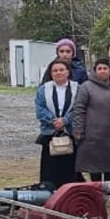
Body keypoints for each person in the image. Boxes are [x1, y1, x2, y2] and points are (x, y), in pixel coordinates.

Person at [72, 58, 110, 186]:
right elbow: (79, 109)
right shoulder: (86, 86)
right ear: (95, 71)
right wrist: (78, 128)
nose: (102, 71)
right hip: (93, 132)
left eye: (105, 68)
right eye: (99, 69)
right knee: (94, 164)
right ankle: (96, 188)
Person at [34, 58, 79, 189]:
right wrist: (54, 121)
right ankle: (49, 190)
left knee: (69, 166)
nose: (58, 73)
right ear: (51, 73)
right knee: (49, 167)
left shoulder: (77, 88)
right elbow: (40, 109)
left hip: (69, 132)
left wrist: (65, 120)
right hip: (50, 132)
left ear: (68, 72)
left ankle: (70, 190)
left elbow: (79, 108)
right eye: (55, 70)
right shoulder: (43, 89)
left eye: (61, 70)